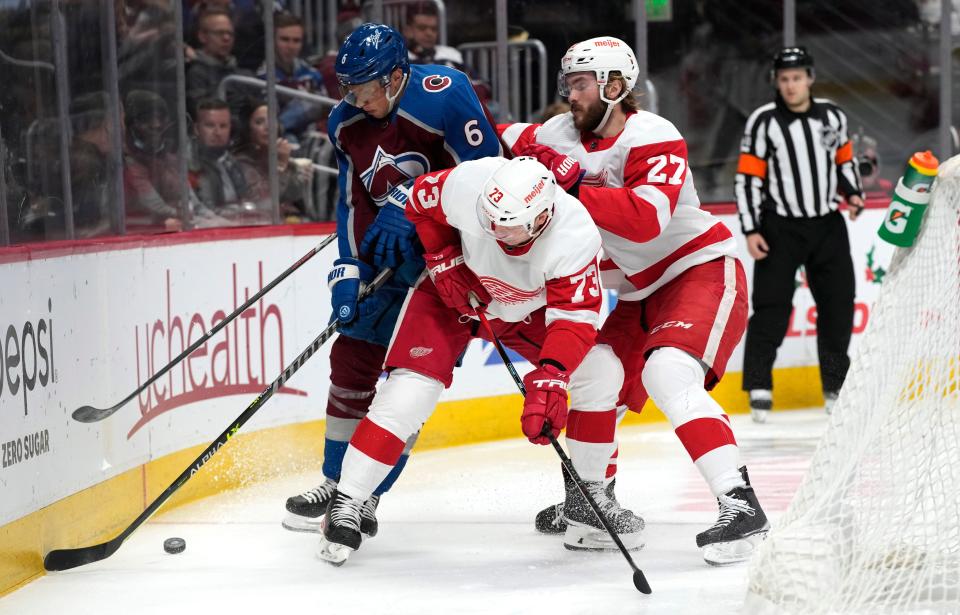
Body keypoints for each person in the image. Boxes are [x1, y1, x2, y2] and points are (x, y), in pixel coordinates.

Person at [499, 36, 770, 565]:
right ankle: (591, 504)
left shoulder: (653, 134)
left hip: (699, 270)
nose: (569, 94)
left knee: (667, 372)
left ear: (615, 86)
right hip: (635, 291)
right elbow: (488, 136)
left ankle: (741, 505)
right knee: (595, 379)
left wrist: (569, 185)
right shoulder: (555, 133)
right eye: (568, 84)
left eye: (580, 84)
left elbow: (646, 222)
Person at [317, 156, 645, 565]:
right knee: (409, 392)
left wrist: (551, 376)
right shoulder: (469, 183)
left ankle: (587, 500)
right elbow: (419, 201)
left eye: (511, 226)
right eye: (490, 221)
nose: (497, 232)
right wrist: (442, 256)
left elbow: (574, 319)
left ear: (543, 215)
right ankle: (346, 501)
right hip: (450, 294)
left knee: (600, 371)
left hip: (527, 308)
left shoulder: (574, 235)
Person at [280, 23, 501, 536]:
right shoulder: (345, 122)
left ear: (396, 76)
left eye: (362, 87)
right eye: (346, 87)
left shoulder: (446, 96)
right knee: (351, 357)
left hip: (451, 261)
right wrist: (348, 268)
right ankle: (338, 484)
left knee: (408, 383)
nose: (351, 97)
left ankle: (368, 494)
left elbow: (491, 175)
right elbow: (352, 204)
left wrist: (415, 199)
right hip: (387, 257)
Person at [734, 47, 864, 422]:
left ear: (810, 78)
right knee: (772, 308)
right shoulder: (763, 122)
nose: (791, 86)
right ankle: (759, 387)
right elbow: (748, 179)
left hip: (827, 224)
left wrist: (853, 193)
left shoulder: (833, 116)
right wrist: (751, 228)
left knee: (839, 307)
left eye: (797, 78)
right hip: (780, 227)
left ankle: (835, 387)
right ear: (777, 82)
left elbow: (844, 161)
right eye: (784, 79)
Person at [233, 99, 310, 222]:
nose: (268, 127)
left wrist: (296, 173)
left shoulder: (277, 154)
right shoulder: (241, 163)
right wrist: (280, 166)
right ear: (248, 130)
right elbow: (264, 202)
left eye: (271, 120)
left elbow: (293, 196)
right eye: (259, 122)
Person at [257, 12, 328, 143]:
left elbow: (324, 111)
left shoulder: (312, 74)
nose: (291, 46)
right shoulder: (261, 77)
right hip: (280, 139)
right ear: (272, 40)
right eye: (285, 39)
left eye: (296, 41)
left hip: (313, 135)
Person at [189, 97, 253, 216]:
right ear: (197, 129)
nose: (218, 133)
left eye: (223, 126)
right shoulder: (188, 164)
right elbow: (197, 212)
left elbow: (248, 200)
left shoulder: (232, 161)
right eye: (210, 125)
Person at [186, 7, 247, 115]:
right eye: (220, 33)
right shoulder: (195, 72)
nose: (226, 38)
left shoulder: (243, 74)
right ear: (202, 36)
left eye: (230, 33)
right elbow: (201, 112)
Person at [403, 2, 465, 70]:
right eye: (422, 28)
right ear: (408, 31)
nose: (429, 33)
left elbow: (473, 79)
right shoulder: (399, 59)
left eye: (434, 29)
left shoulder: (451, 54)